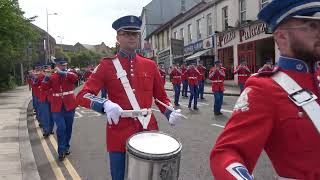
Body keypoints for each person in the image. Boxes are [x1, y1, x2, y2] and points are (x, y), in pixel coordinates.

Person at [210, 1, 320, 179]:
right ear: (282, 37)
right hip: (222, 84)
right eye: (312, 25)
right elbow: (227, 153)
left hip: (221, 84)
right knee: (216, 100)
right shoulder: (265, 88)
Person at [76, 15, 183, 180]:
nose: (131, 37)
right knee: (119, 176)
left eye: (135, 34)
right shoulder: (106, 65)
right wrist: (104, 104)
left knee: (151, 176)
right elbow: (82, 95)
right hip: (119, 132)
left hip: (148, 128)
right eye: (126, 34)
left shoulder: (150, 65)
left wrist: (170, 112)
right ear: (118, 38)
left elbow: (161, 96)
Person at [42, 59, 78, 161]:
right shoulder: (53, 76)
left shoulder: (69, 73)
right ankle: (61, 151)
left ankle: (66, 147)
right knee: (61, 128)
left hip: (69, 105)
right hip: (57, 106)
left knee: (68, 128)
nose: (64, 67)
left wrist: (62, 72)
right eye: (62, 65)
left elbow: (75, 78)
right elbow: (44, 88)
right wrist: (46, 77)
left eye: (65, 65)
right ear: (57, 65)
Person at [39, 64, 54, 137]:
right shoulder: (40, 77)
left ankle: (50, 129)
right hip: (43, 98)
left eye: (49, 71)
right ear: (44, 71)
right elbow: (37, 85)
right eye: (46, 71)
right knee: (45, 115)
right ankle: (46, 130)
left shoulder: (54, 77)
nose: (48, 72)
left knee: (52, 115)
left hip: (51, 98)